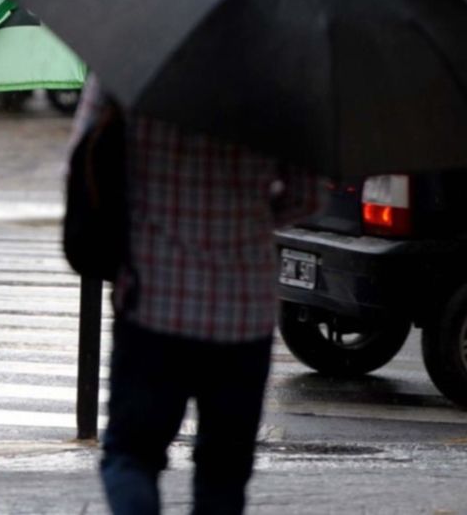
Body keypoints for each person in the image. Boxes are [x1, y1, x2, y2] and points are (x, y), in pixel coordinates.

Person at [76, 76, 322, 514]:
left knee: (132, 455)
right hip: (242, 312)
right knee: (224, 471)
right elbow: (305, 196)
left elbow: (83, 164)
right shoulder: (277, 75)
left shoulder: (127, 59)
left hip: (152, 301)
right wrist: (248, 214)